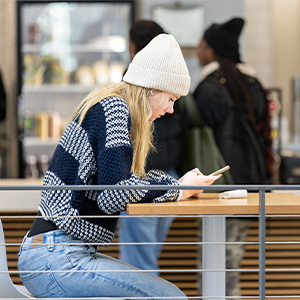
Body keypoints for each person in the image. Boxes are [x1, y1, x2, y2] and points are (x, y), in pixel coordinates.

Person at [18, 33, 220, 299]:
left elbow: (122, 184)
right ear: (151, 89)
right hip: (56, 259)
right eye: (171, 99)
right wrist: (178, 188)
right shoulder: (115, 109)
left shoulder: (111, 104)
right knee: (170, 296)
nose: (171, 109)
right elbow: (115, 193)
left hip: (53, 254)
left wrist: (178, 185)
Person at [193, 18, 274, 297]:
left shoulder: (210, 88)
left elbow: (200, 137)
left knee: (215, 265)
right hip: (251, 183)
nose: (196, 51)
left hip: (220, 184)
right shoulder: (252, 84)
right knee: (230, 262)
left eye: (201, 45)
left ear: (212, 50)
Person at [118, 20, 183, 276]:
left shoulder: (134, 85)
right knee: (146, 258)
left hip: (146, 178)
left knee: (140, 262)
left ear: (133, 47)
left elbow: (116, 189)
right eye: (170, 101)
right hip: (165, 176)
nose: (169, 109)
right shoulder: (130, 95)